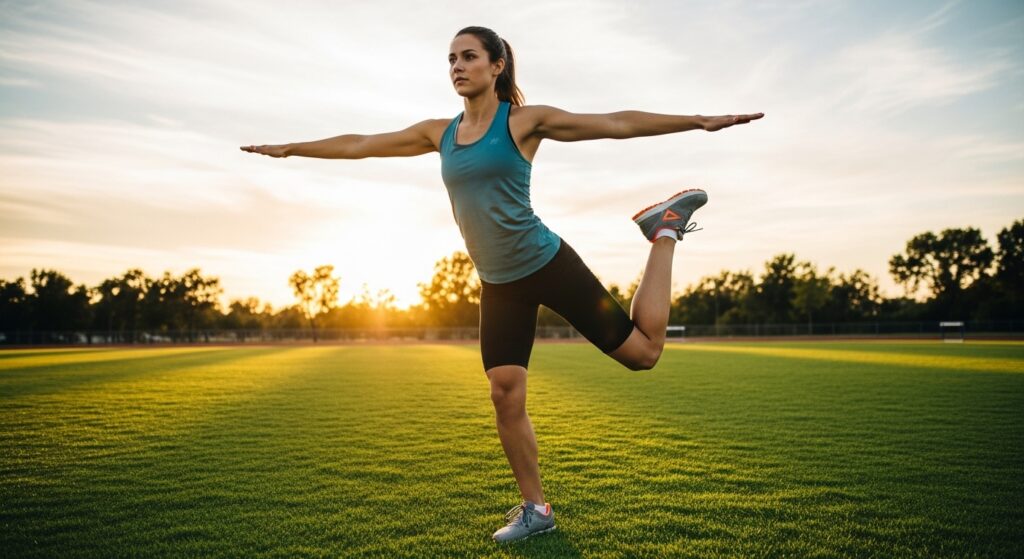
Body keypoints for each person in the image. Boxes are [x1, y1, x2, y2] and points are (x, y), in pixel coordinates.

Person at [241, 25, 764, 544]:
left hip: (547, 262)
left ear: (497, 67)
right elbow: (361, 144)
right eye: (450, 60)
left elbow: (613, 122)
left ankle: (664, 230)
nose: (457, 67)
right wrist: (292, 149)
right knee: (504, 392)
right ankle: (537, 510)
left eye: (468, 57)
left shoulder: (523, 122)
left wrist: (697, 121)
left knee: (643, 354)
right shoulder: (436, 133)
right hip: (498, 283)